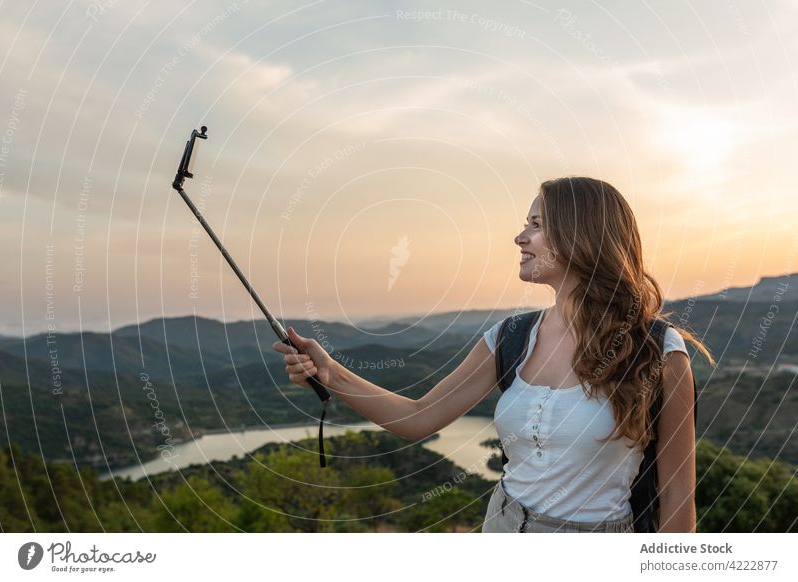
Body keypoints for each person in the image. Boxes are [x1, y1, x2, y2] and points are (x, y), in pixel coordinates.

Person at [272, 176, 714, 533]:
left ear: (582, 235)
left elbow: (677, 495)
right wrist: (330, 372)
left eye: (536, 225)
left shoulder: (659, 351)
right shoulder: (511, 337)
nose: (520, 237)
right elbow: (418, 417)